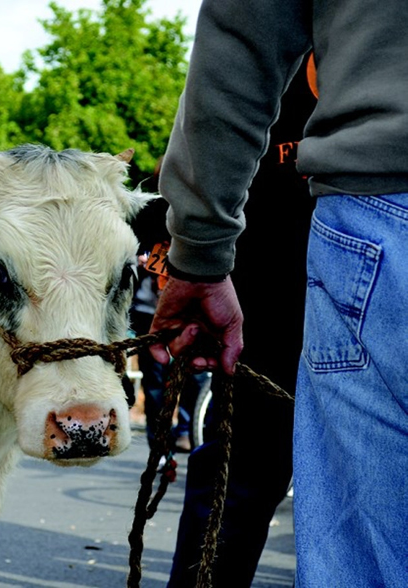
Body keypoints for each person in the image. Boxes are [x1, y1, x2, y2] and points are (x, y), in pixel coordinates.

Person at [151, 2, 408, 586]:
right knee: (236, 477)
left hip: (354, 254)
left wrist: (197, 254)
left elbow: (240, 37)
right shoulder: (313, 78)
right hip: (275, 305)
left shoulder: (342, 61)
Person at [166, 53, 316, 587]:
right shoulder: (278, 52)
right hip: (265, 297)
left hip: (271, 285)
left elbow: (214, 110)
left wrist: (197, 263)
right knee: (237, 476)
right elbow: (214, 115)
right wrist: (199, 263)